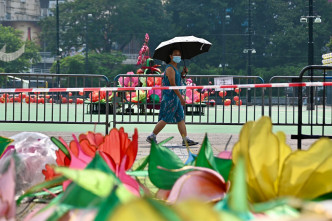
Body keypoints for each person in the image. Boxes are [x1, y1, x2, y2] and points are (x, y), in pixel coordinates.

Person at [146, 47, 198, 146]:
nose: (178, 56)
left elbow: (178, 81)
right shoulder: (170, 68)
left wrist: (183, 74)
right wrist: (181, 98)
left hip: (176, 98)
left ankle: (185, 139)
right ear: (170, 56)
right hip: (171, 98)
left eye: (179, 54)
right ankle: (152, 136)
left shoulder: (175, 69)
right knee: (166, 118)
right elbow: (173, 84)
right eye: (175, 54)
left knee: (180, 118)